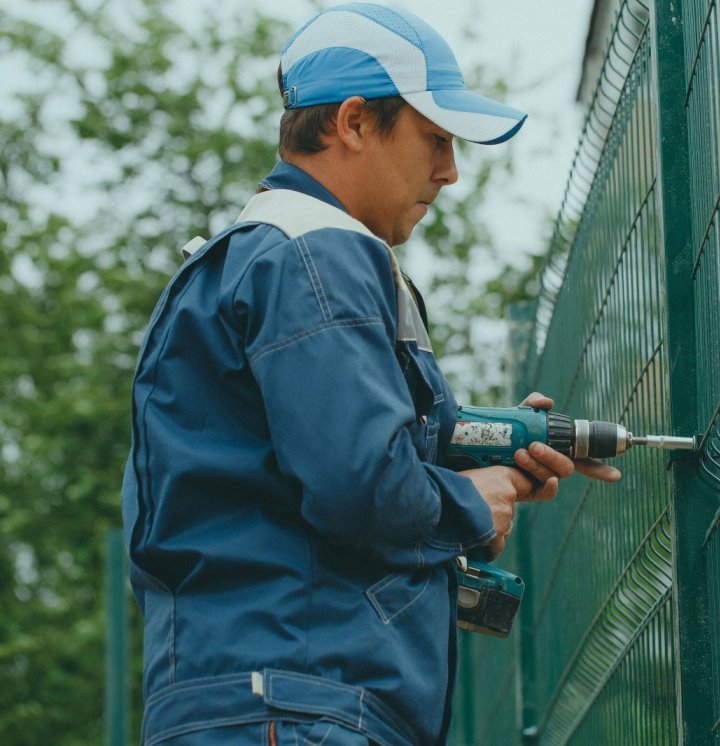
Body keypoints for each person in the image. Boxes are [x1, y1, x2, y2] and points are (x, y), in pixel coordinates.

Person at [121, 5, 620, 745]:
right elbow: (358, 482)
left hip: (264, 694)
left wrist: (482, 447)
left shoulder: (266, 254)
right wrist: (469, 506)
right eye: (436, 138)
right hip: (298, 704)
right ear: (354, 123)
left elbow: (315, 458)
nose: (449, 171)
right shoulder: (318, 253)